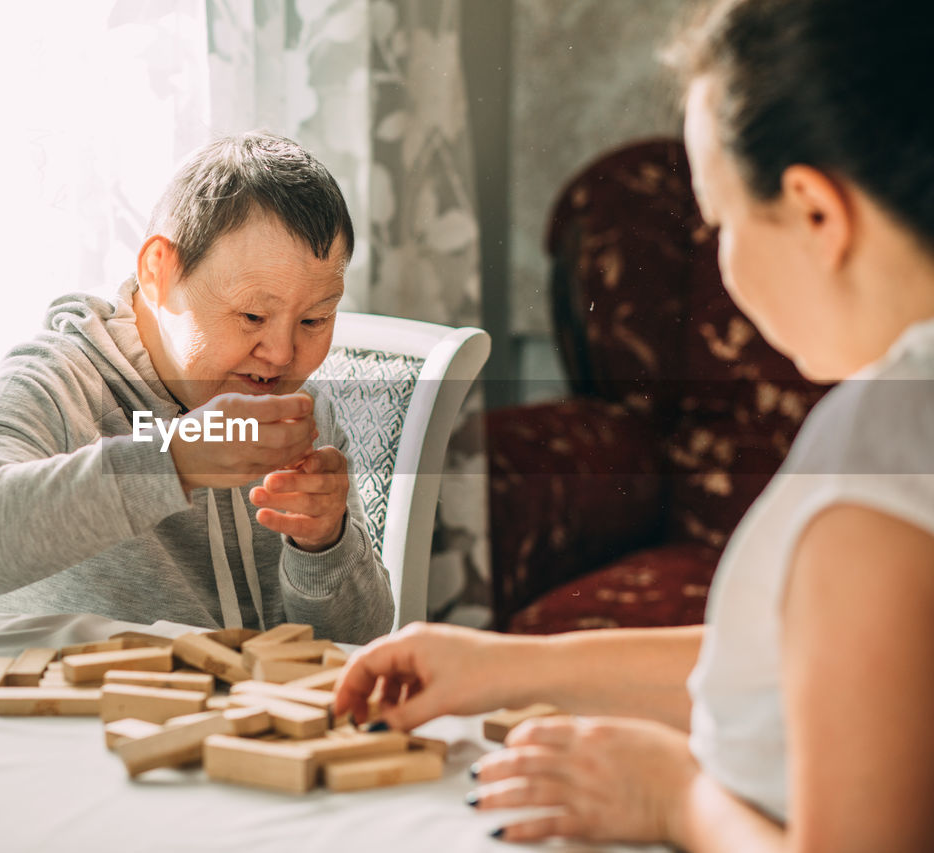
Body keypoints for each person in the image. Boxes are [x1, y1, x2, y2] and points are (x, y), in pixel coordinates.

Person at [335, 0, 934, 848]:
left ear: (815, 213)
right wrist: (503, 667)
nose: (720, 264)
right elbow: (807, 671)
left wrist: (673, 799)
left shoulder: (878, 459)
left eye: (717, 220)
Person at [0, 132, 394, 644]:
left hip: (243, 717)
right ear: (159, 272)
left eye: (315, 319)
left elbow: (363, 641)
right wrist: (173, 461)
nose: (282, 354)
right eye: (252, 315)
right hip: (79, 714)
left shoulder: (305, 414)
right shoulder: (61, 382)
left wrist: (324, 545)